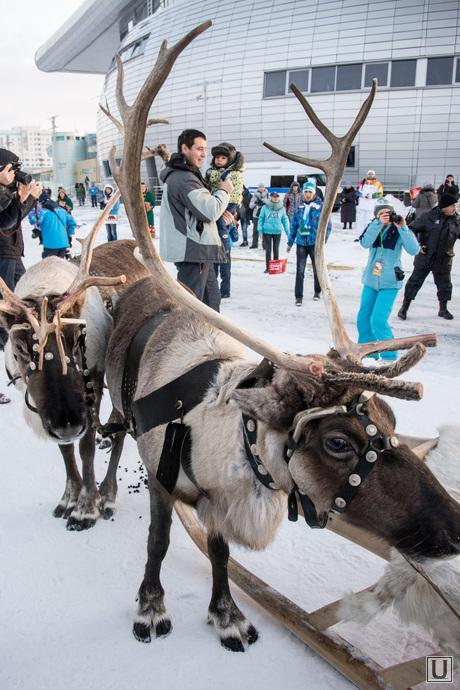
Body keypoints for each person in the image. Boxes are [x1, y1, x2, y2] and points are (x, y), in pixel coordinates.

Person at [159, 128, 233, 312]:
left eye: (204, 149)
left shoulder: (185, 175)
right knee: (191, 309)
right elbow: (209, 211)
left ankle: (208, 339)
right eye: (199, 149)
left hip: (198, 251)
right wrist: (224, 191)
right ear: (185, 148)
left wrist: (219, 207)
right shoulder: (185, 179)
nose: (203, 154)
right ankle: (185, 340)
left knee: (211, 303)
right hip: (193, 251)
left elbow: (199, 209)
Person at [0, 148, 41, 403]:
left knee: (21, 308)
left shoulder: (6, 192)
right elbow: (6, 223)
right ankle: (15, 364)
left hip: (10, 255)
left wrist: (24, 198)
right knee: (10, 314)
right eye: (10, 169)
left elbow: (12, 221)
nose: (14, 174)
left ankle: (18, 364)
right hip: (4, 257)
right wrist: (26, 200)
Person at [357, 203, 420, 360]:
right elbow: (365, 243)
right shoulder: (374, 227)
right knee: (363, 319)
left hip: (390, 282)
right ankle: (368, 355)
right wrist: (378, 224)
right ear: (377, 215)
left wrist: (403, 227)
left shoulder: (399, 230)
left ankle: (389, 357)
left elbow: (414, 250)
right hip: (371, 281)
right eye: (382, 214)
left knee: (378, 320)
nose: (387, 216)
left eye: (389, 213)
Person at [398, 194, 460, 321]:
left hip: (444, 258)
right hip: (425, 256)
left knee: (445, 285)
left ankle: (443, 309)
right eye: (452, 205)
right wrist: (418, 245)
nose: (455, 208)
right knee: (414, 283)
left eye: (455, 205)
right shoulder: (428, 217)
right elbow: (412, 229)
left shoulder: (456, 220)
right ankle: (404, 307)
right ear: (444, 206)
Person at [287, 180, 331, 305]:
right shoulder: (299, 206)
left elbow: (328, 225)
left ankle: (317, 291)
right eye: (305, 191)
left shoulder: (320, 206)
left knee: (317, 269)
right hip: (301, 243)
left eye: (309, 192)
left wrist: (323, 241)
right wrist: (290, 243)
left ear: (314, 193)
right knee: (300, 270)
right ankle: (298, 296)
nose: (307, 194)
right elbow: (294, 225)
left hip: (314, 244)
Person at [205, 142, 245, 248]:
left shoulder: (233, 172)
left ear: (229, 160)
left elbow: (221, 181)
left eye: (223, 158)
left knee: (221, 220)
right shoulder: (212, 171)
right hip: (219, 199)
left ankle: (226, 240)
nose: (219, 160)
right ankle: (231, 228)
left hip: (231, 202)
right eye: (217, 157)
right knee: (220, 221)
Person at [258, 191, 289, 273]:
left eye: (276, 196)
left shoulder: (282, 208)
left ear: (278, 197)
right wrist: (260, 230)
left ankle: (275, 267)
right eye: (273, 196)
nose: (275, 198)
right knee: (268, 250)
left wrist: (288, 232)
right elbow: (261, 219)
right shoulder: (265, 207)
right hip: (267, 231)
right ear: (270, 197)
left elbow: (285, 220)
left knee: (276, 249)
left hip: (277, 231)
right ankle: (268, 267)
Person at [214, 212, 239, 298]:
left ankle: (220, 291)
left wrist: (231, 224)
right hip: (220, 246)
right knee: (222, 270)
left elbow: (235, 237)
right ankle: (222, 291)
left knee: (219, 271)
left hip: (220, 246)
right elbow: (235, 237)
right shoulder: (226, 217)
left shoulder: (227, 219)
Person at [249, 183, 269, 248]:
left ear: (265, 188)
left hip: (265, 216)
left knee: (264, 230)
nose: (261, 188)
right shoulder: (254, 195)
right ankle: (254, 244)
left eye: (262, 187)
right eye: (260, 187)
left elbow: (271, 204)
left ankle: (265, 245)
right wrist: (255, 203)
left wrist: (264, 201)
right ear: (258, 188)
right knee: (255, 231)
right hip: (256, 215)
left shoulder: (268, 195)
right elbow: (250, 206)